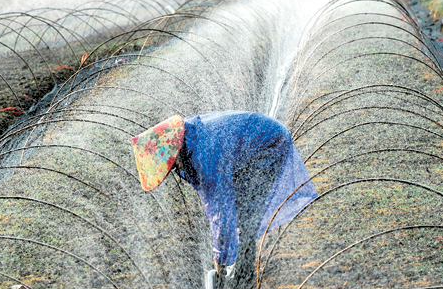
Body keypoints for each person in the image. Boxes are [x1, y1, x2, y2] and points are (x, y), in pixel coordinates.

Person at [131, 111, 317, 277]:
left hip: (268, 143)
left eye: (171, 165)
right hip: (248, 144)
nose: (173, 168)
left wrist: (220, 258)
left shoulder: (204, 156)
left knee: (247, 209)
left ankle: (245, 274)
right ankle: (241, 268)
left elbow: (219, 210)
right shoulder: (187, 139)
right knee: (238, 206)